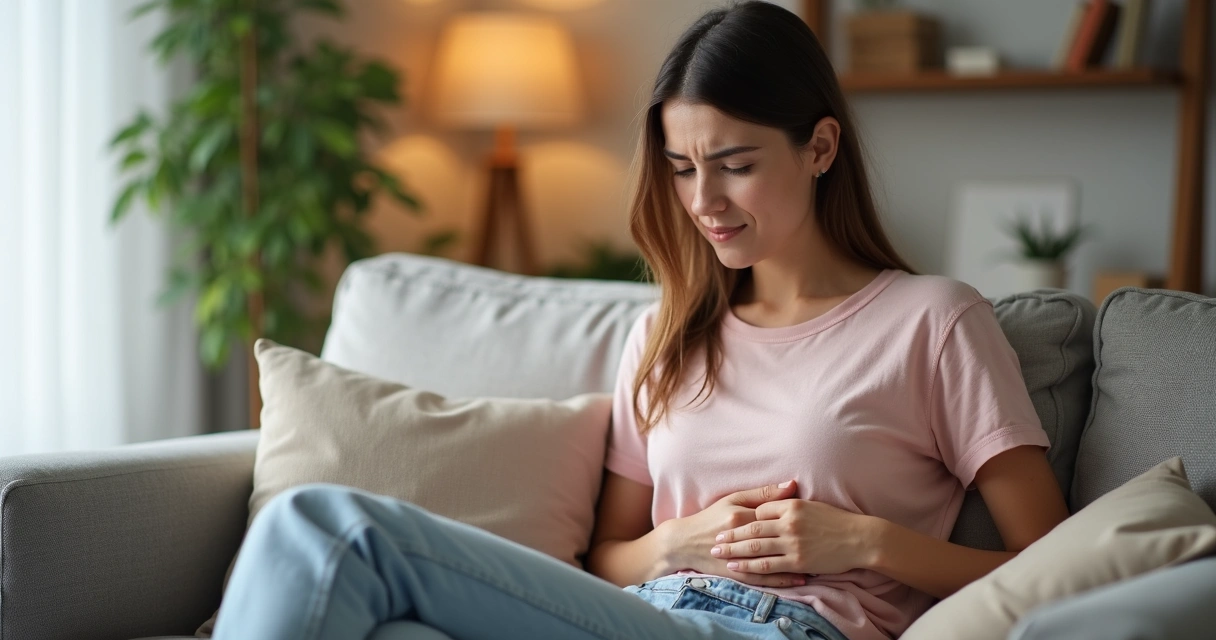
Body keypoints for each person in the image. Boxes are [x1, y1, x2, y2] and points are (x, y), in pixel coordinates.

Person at [210, 2, 1070, 639]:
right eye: (682, 168)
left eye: (734, 165)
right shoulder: (668, 333)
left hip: (788, 630)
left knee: (327, 527)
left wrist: (867, 543)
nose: (705, 202)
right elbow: (607, 558)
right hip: (647, 613)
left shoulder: (934, 321)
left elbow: (1057, 568)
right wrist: (680, 541)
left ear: (819, 148)